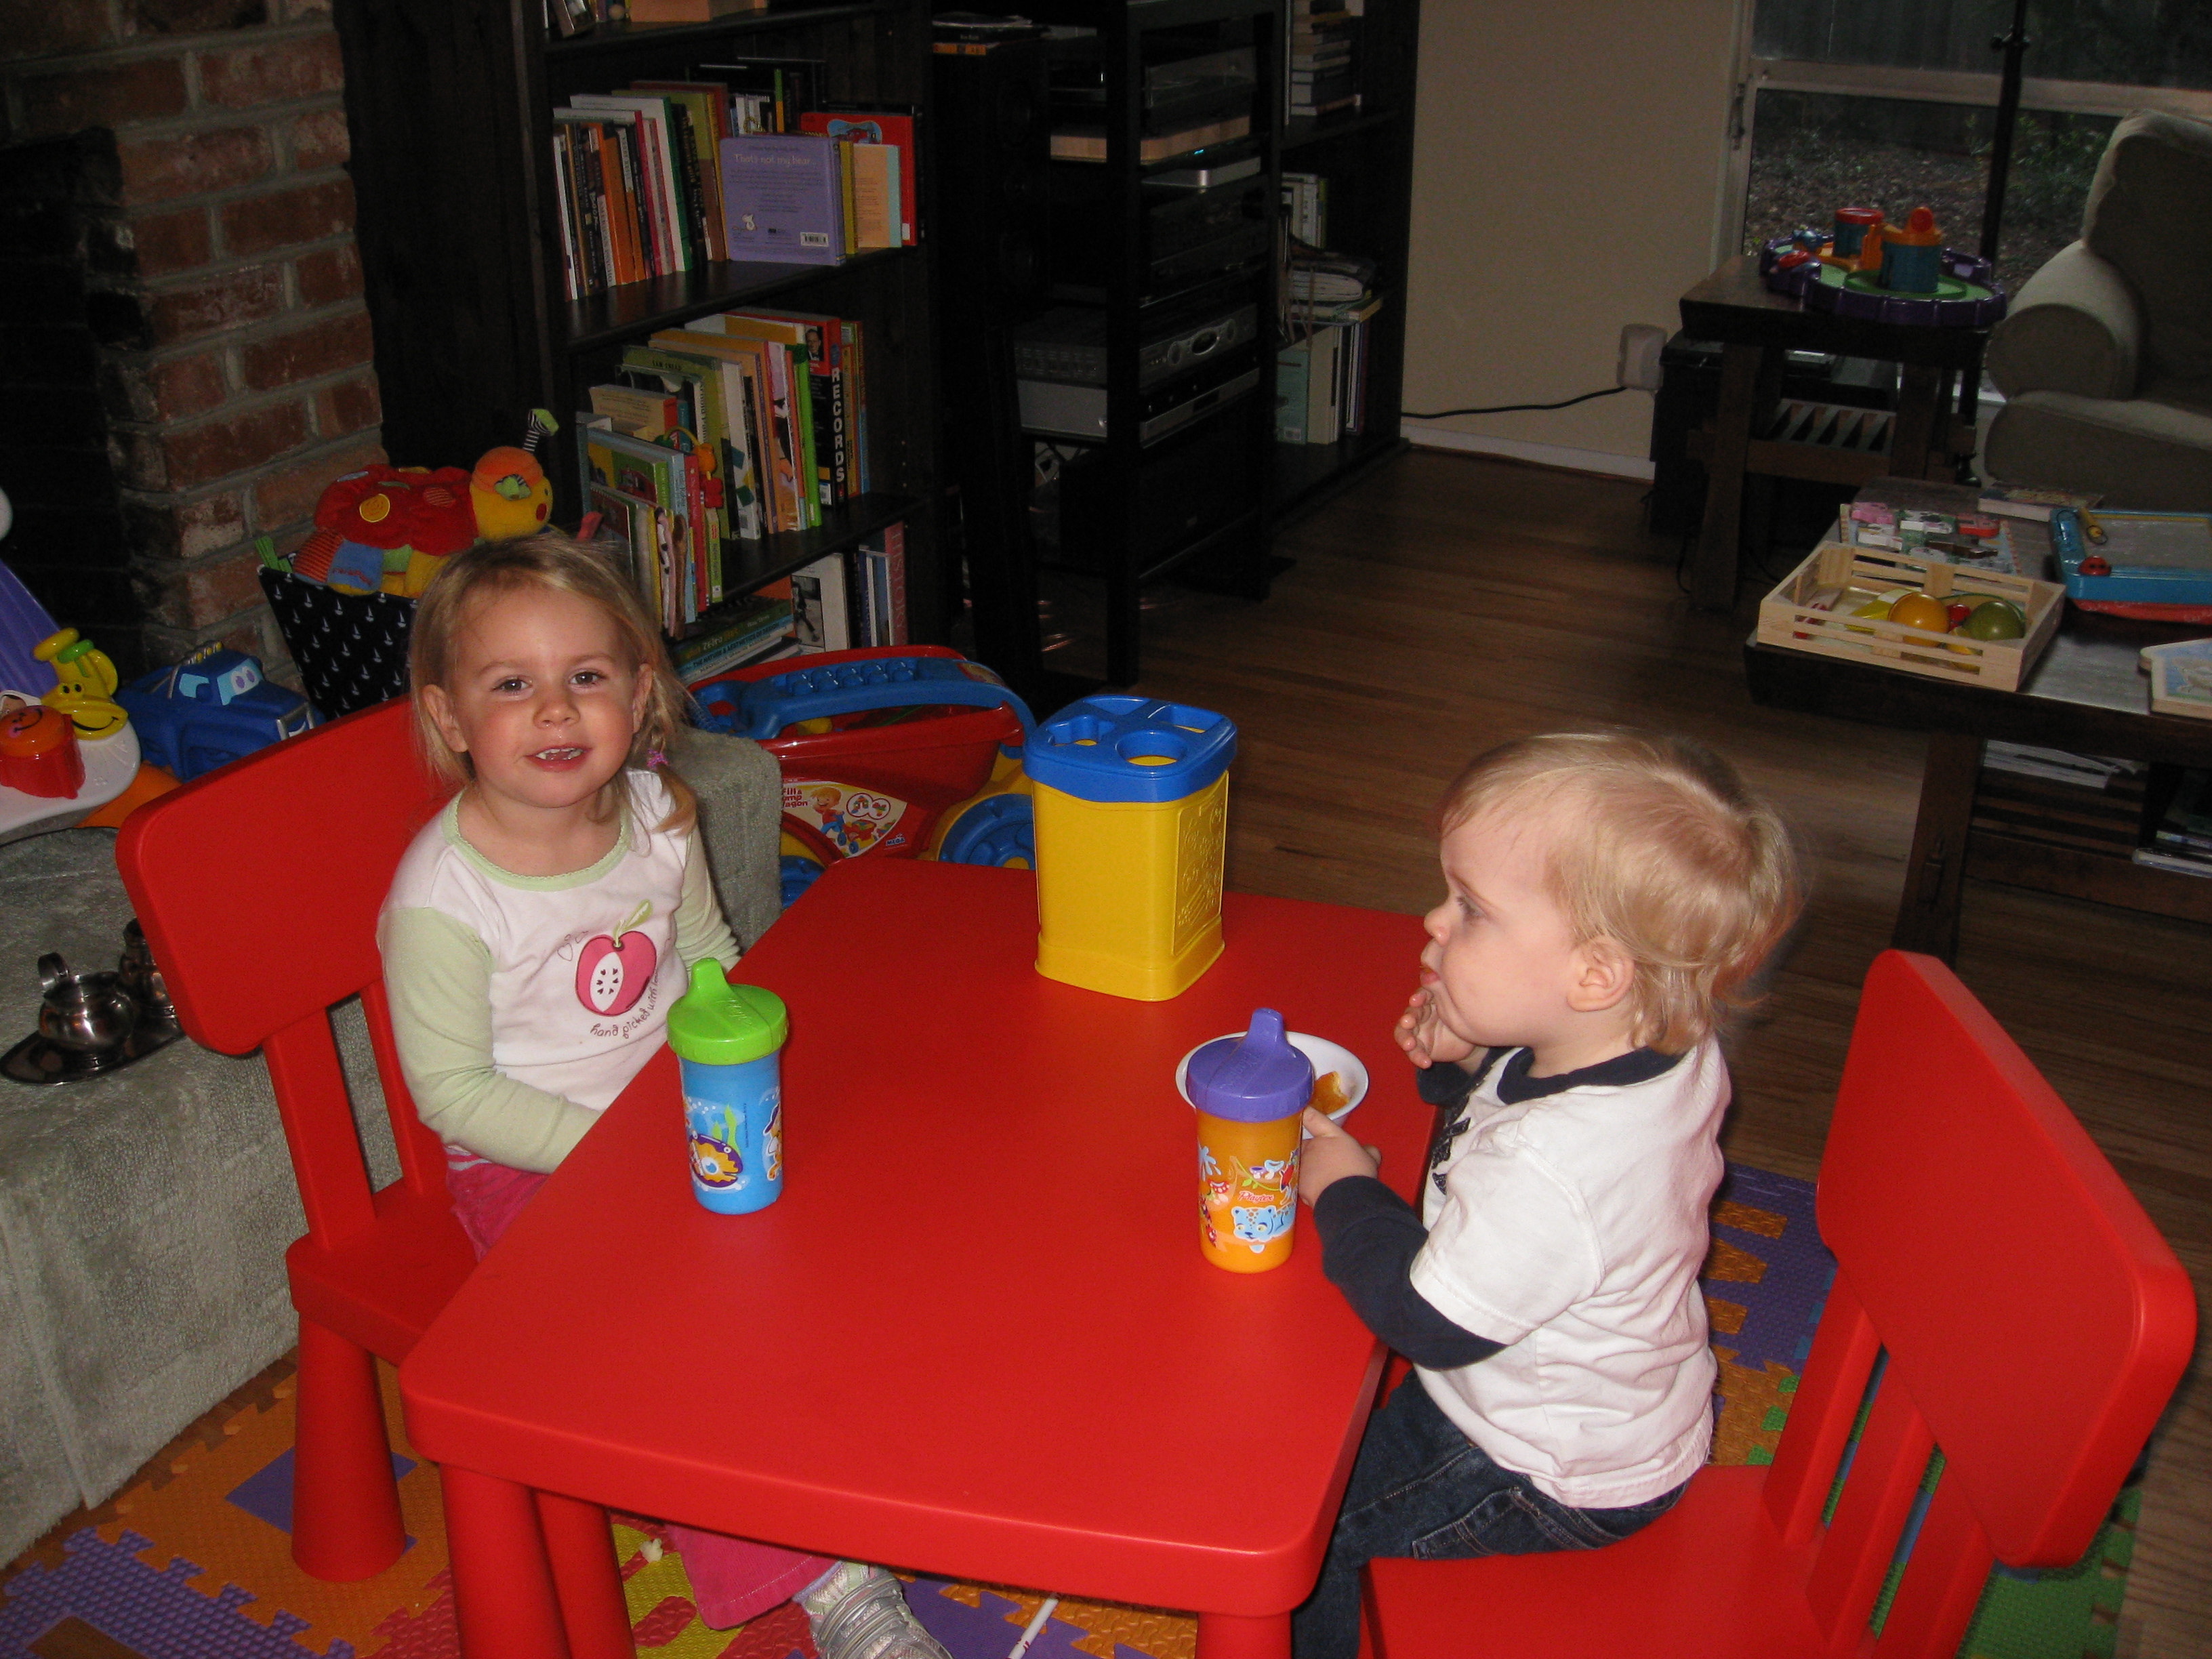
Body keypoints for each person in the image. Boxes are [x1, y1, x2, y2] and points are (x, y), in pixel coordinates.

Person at [379, 531, 951, 1659]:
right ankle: (835, 1589)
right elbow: (453, 1094)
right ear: (450, 718)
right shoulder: (443, 899)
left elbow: (706, 960)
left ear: (640, 696)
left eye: (586, 676)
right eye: (512, 685)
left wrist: (734, 1069)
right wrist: (616, 1148)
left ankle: (860, 1459)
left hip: (677, 1115)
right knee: (669, 1352)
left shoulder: (657, 815)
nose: (555, 710)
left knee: (852, 1221)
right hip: (530, 1166)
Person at [1289, 731, 1801, 1659]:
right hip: (1623, 1406)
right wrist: (1465, 1060)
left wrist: (1345, 1192)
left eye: (1472, 909)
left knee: (1307, 1534)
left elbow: (1426, 1320)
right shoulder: (1654, 1035)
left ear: (1594, 974)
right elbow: (1501, 1126)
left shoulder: (1559, 1164)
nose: (1433, 919)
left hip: (1542, 1466)